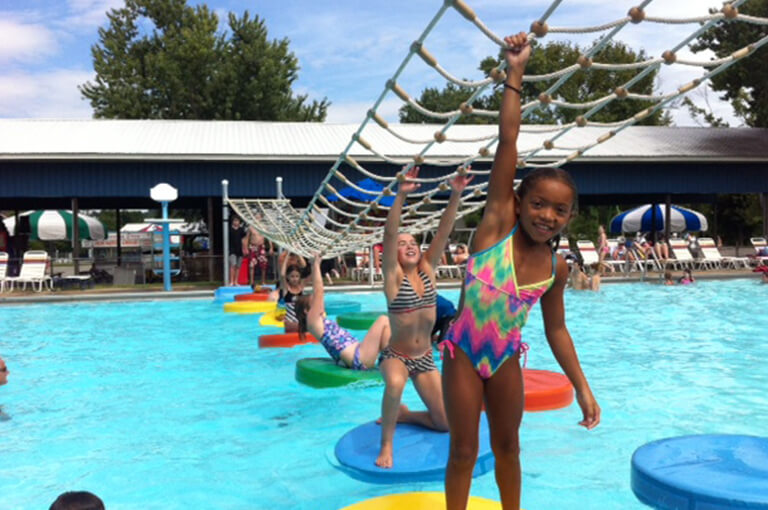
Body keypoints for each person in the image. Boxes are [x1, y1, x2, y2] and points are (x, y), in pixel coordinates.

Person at [441, 32, 600, 510]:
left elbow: (558, 330)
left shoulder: (557, 266)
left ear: (569, 217)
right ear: (518, 202)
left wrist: (582, 387)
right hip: (463, 352)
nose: (546, 216)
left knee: (509, 447)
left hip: (506, 358)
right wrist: (516, 70)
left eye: (559, 210)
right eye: (538, 204)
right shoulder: (495, 228)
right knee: (465, 449)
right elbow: (508, 139)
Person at [377, 164, 473, 469]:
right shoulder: (392, 277)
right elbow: (389, 233)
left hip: (425, 358)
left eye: (413, 243)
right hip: (397, 355)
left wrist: (455, 193)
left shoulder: (428, 270)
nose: (408, 246)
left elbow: (444, 229)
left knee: (444, 423)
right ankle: (387, 445)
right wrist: (401, 197)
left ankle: (405, 415)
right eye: (402, 244)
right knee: (394, 384)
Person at [294, 255, 391, 369]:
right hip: (358, 358)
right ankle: (391, 362)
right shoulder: (313, 322)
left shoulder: (319, 321)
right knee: (383, 320)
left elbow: (319, 296)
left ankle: (389, 363)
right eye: (314, 302)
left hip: (359, 354)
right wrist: (315, 265)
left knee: (386, 329)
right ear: (307, 311)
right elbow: (319, 291)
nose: (319, 303)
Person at [278, 253, 307, 333]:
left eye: (297, 276)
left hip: (300, 321)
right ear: (288, 277)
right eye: (292, 276)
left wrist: (299, 253)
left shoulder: (301, 287)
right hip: (290, 323)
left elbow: (305, 266)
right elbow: (282, 274)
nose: (295, 279)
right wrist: (287, 257)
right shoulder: (286, 289)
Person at [228, 216, 247, 286]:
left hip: (239, 250)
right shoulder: (229, 229)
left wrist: (245, 248)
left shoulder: (241, 230)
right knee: (233, 265)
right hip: (232, 250)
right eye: (235, 221)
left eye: (237, 221)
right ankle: (231, 281)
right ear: (232, 222)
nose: (236, 222)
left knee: (238, 266)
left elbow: (244, 240)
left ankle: (236, 281)